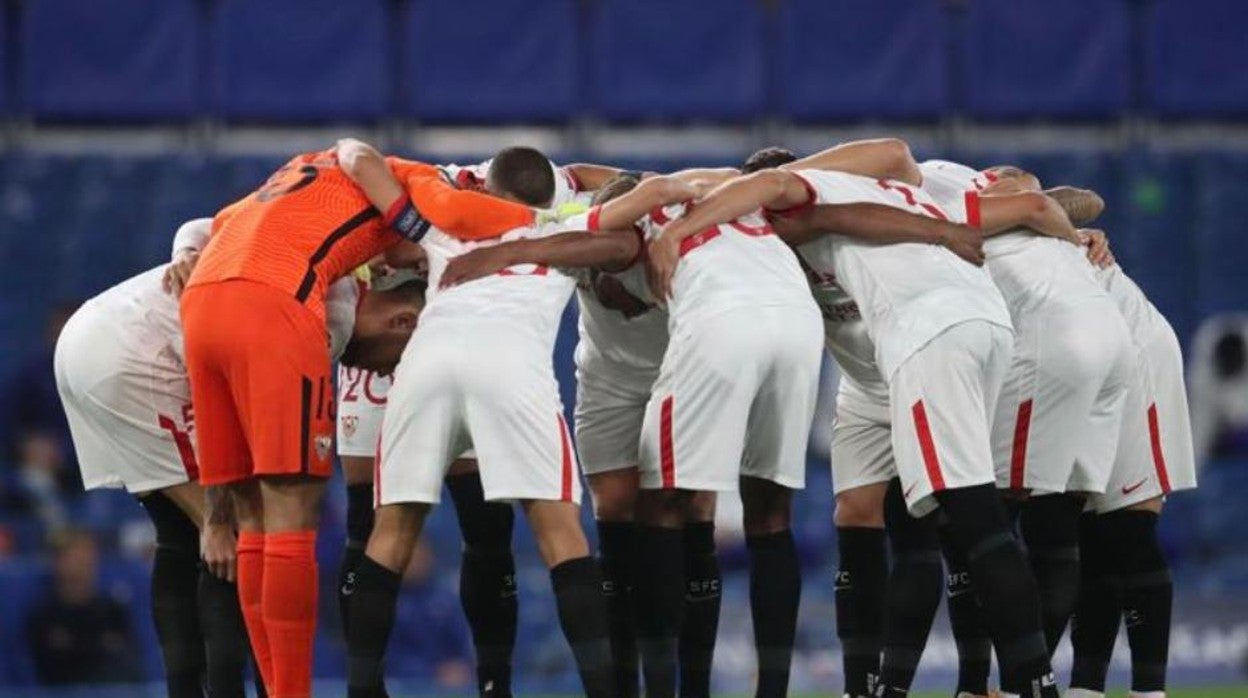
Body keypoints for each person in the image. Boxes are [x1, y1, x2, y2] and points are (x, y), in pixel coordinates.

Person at [655, 166, 1064, 698]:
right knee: (861, 513)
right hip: (876, 373)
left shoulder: (817, 196)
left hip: (928, 337)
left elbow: (841, 198)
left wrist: (674, 230)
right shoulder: (777, 245)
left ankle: (1031, 684)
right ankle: (870, 687)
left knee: (974, 519)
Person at [441, 167, 824, 698]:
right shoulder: (603, 238)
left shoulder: (642, 239)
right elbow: (574, 194)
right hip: (608, 384)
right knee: (619, 522)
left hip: (685, 360)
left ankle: (689, 685)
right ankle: (625, 685)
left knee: (690, 516)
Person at [179, 147, 531, 698]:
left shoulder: (299, 169)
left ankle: (275, 689)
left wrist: (395, 245)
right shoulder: (414, 179)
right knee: (292, 510)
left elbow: (224, 220)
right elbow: (465, 216)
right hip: (276, 303)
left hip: (203, 303)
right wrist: (537, 221)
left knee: (251, 516)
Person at [338, 140, 620, 698]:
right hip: (510, 363)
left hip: (427, 360)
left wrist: (404, 196)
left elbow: (369, 180)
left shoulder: (451, 224)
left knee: (391, 531)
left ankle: (361, 689)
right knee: (559, 533)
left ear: (491, 190)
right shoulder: (566, 231)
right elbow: (621, 239)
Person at [26, 528, 142, 685]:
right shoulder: (44, 614)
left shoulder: (112, 609)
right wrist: (99, 645)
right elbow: (50, 661)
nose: (83, 562)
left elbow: (125, 655)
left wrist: (74, 645)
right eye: (73, 556)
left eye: (87, 555)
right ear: (58, 561)